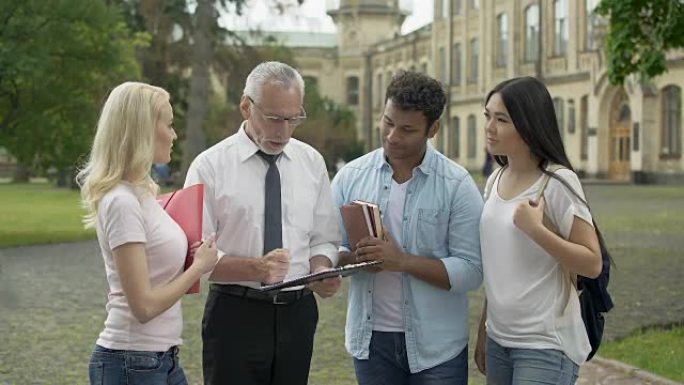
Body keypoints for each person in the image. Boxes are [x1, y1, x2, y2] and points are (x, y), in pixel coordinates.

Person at [184, 61, 342, 385]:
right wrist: (256, 269)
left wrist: (323, 267)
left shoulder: (312, 163)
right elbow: (192, 254)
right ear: (246, 106)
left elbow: (324, 238)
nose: (283, 131)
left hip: (298, 315)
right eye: (273, 118)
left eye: (293, 118)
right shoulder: (209, 167)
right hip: (234, 316)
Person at [331, 70, 484, 384]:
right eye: (387, 122)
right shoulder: (350, 176)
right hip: (371, 344)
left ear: (433, 129)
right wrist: (354, 260)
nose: (392, 136)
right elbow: (329, 248)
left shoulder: (457, 185)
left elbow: (472, 270)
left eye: (407, 129)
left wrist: (401, 262)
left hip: (437, 348)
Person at [77, 82, 218, 385]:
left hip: (160, 358)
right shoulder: (122, 202)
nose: (174, 135)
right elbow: (144, 307)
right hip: (131, 361)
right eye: (168, 124)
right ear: (142, 130)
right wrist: (198, 268)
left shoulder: (142, 195)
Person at [474, 76, 603, 384]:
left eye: (501, 119)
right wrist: (484, 330)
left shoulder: (557, 182)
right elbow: (500, 266)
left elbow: (592, 262)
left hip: (545, 344)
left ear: (528, 123)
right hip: (499, 341)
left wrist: (538, 231)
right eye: (488, 116)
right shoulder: (494, 181)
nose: (490, 127)